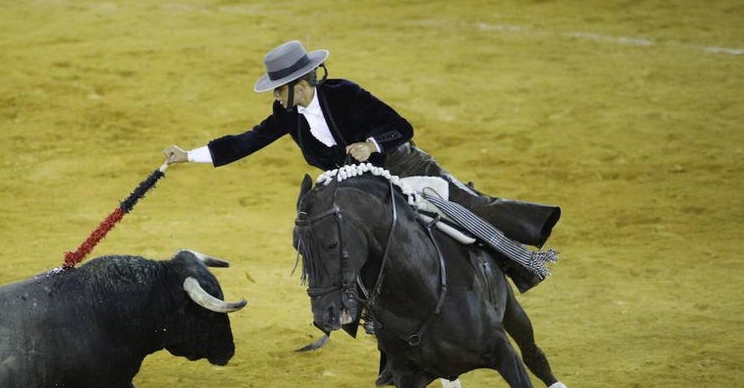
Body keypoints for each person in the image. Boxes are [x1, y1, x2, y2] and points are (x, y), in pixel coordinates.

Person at [163, 40, 560, 291]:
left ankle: (524, 261)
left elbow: (401, 127)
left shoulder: (344, 94)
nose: (276, 94)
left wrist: (371, 145)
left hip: (403, 166)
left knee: (463, 208)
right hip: (361, 187)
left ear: (301, 84)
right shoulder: (286, 114)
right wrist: (190, 155)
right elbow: (246, 140)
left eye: (279, 87)